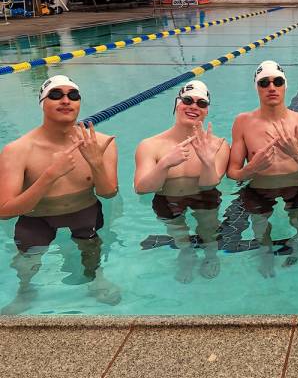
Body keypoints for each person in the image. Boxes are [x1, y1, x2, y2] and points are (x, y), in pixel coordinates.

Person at [0, 75, 120, 313]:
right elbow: (4, 211)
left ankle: (97, 279)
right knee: (27, 262)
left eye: (73, 95)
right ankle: (25, 291)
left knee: (91, 250)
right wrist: (50, 176)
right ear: (42, 103)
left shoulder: (101, 143)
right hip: (37, 216)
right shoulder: (18, 150)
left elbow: (108, 194)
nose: (66, 100)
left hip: (84, 211)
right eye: (56, 95)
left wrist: (96, 163)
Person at [226, 60, 298, 277]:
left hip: (297, 185)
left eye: (277, 81)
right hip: (258, 188)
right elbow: (233, 173)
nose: (271, 87)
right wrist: (251, 168)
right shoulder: (242, 122)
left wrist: (296, 153)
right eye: (264, 83)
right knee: (260, 225)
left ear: (285, 86)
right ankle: (265, 252)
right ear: (257, 88)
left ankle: (297, 239)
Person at [134, 80, 229, 283]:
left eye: (201, 103)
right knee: (178, 231)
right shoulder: (150, 145)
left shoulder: (218, 145)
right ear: (177, 104)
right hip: (167, 198)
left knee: (209, 229)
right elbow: (141, 189)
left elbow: (208, 185)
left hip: (204, 196)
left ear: (206, 111)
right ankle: (186, 252)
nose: (194, 106)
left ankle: (211, 253)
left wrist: (207, 161)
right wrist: (165, 164)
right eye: (188, 100)